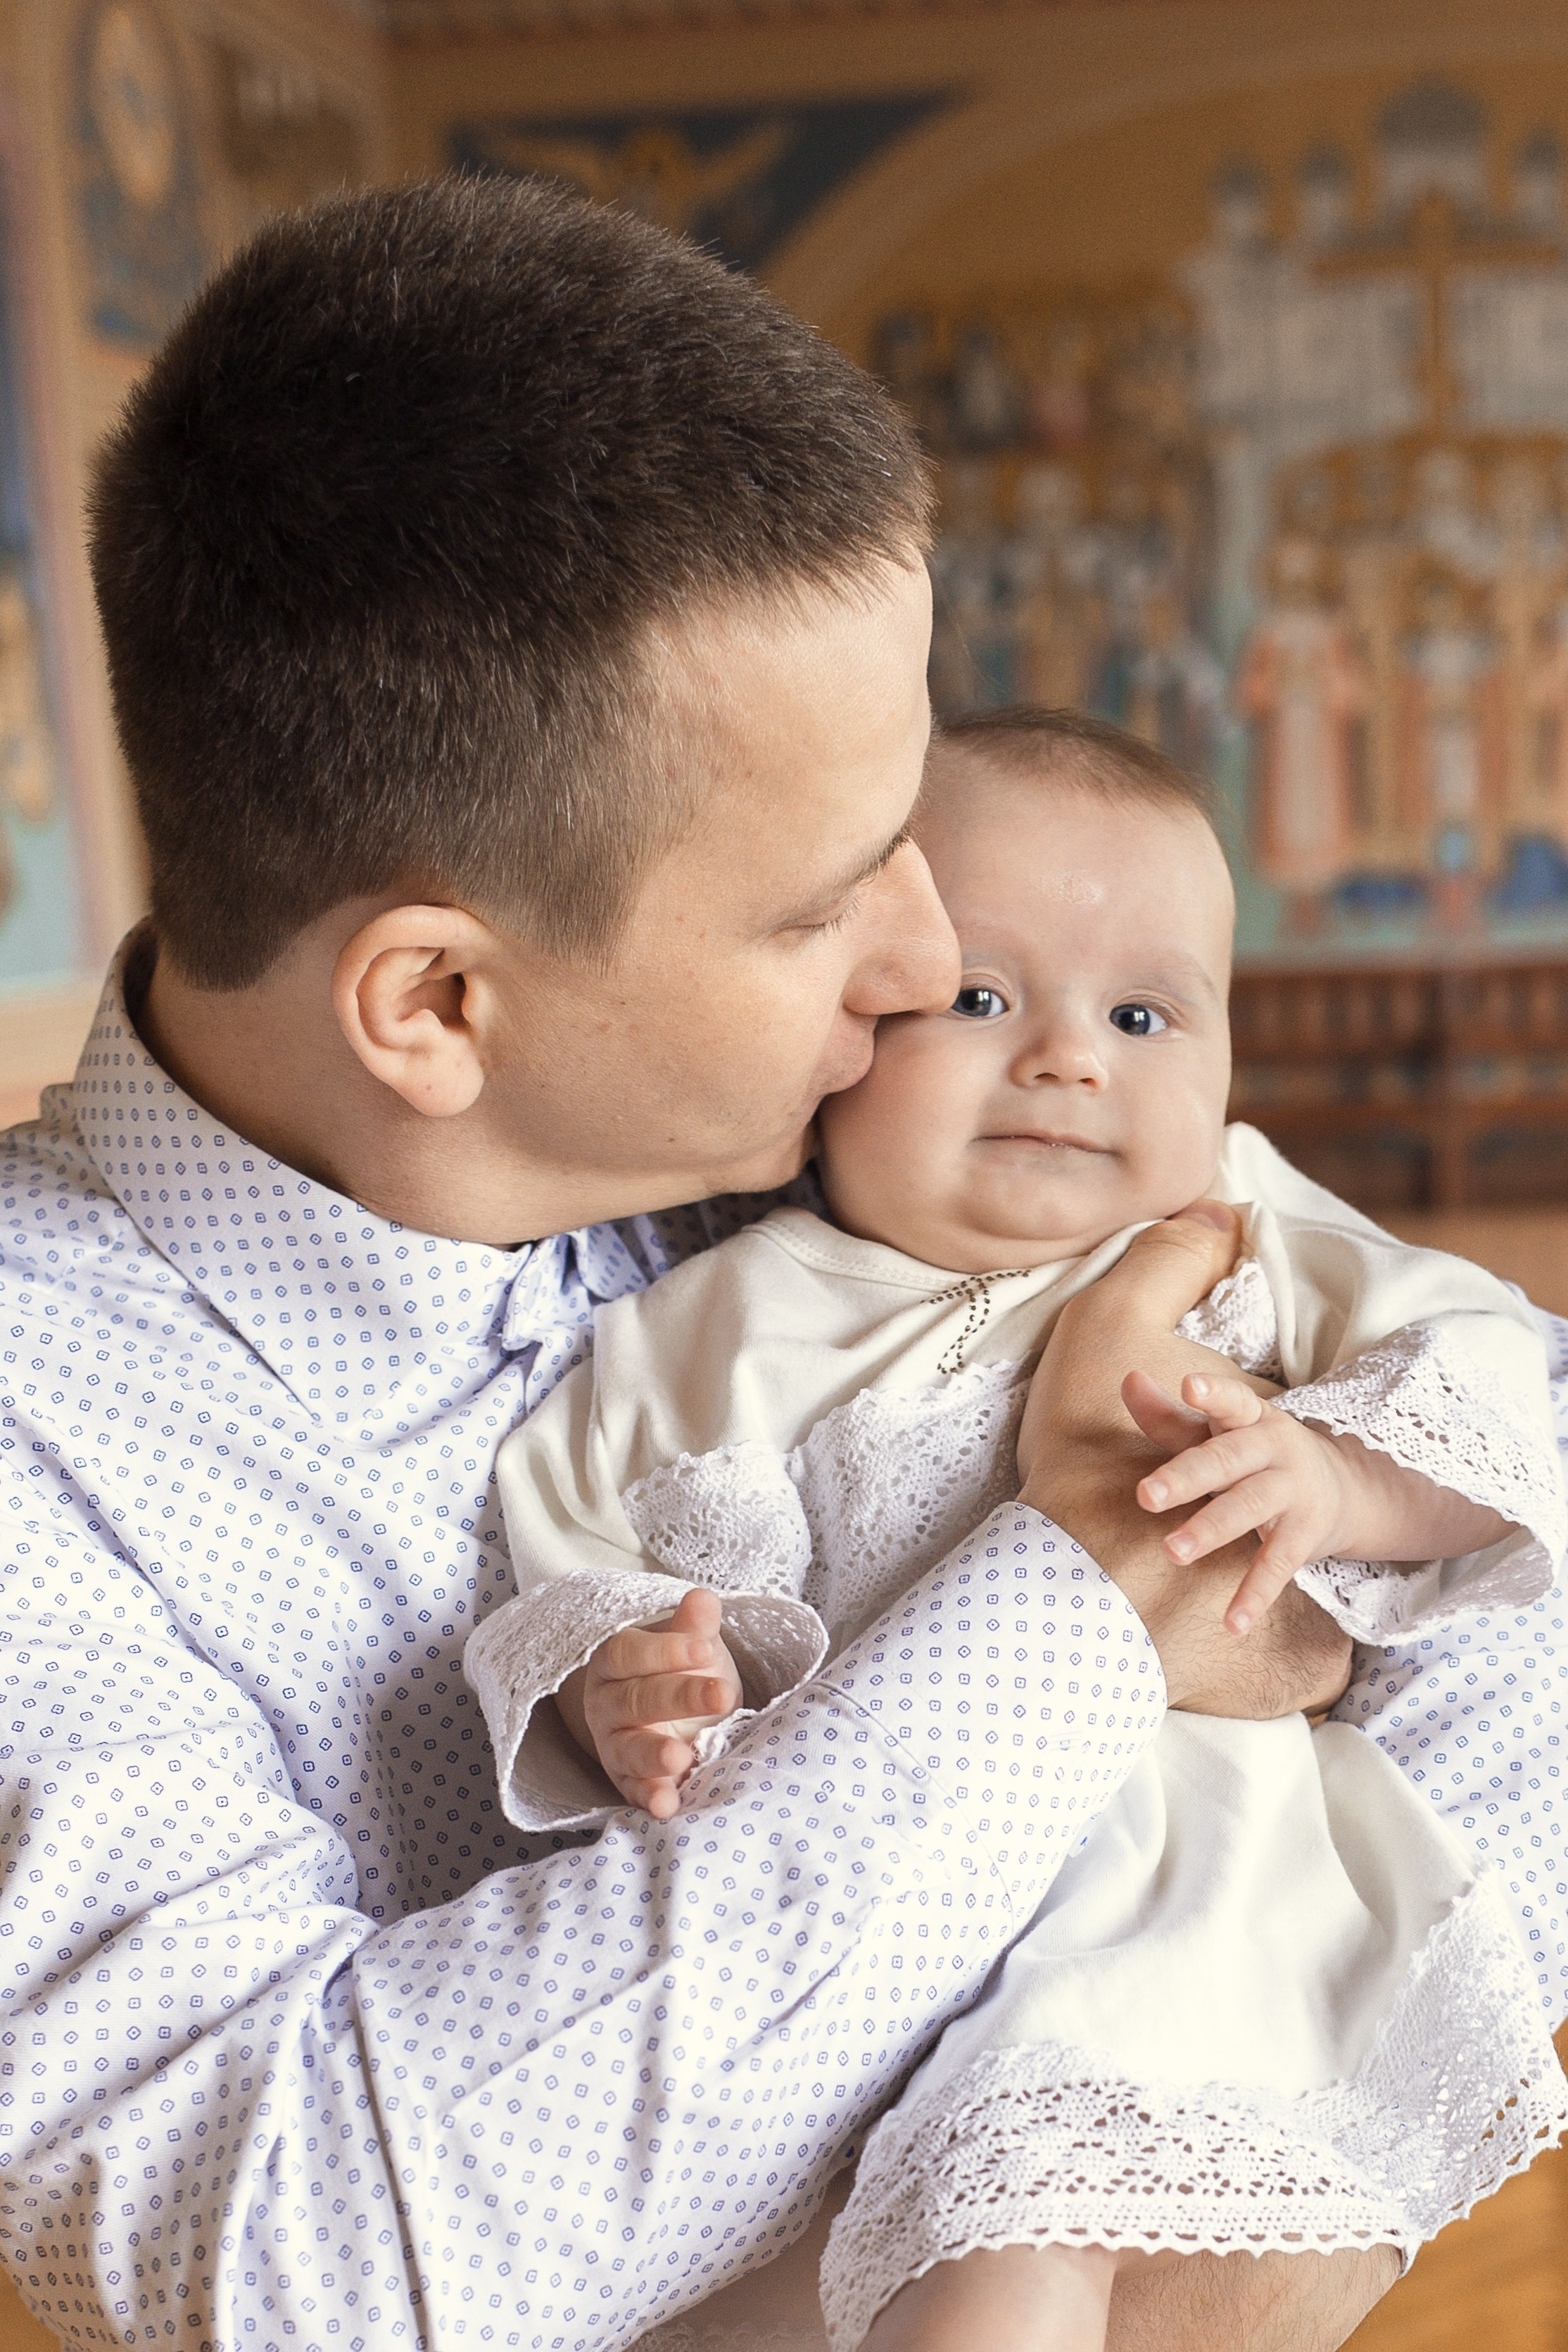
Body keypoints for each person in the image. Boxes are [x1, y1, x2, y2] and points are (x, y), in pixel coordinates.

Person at [0, 175, 1553, 2352]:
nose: (938, 968)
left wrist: (1327, 1632)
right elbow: (308, 2254)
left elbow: (1532, 1536)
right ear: (439, 1005)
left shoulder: (871, 1135)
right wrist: (1087, 1607)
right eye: (829, 901)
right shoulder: (31, 1451)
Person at [469, 704, 1568, 2350]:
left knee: (1008, 2250)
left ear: (1222, 1070)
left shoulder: (1243, 1233)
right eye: (978, 998)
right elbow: (563, 1550)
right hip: (845, 1908)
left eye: (1142, 1014)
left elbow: (1489, 1372)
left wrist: (1340, 1481)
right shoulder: (702, 1324)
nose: (1065, 1057)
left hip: (1171, 1885)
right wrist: (609, 1684)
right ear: (840, 1036)